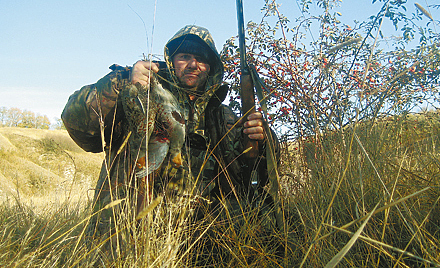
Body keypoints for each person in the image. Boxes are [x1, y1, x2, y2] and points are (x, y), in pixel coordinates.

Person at [61, 25, 279, 250]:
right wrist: (123, 83)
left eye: (201, 59)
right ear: (171, 60)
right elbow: (79, 126)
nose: (193, 64)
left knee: (263, 216)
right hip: (132, 233)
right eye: (185, 56)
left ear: (211, 68)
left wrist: (264, 141)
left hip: (197, 239)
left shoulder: (224, 117)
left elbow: (255, 179)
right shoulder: (140, 93)